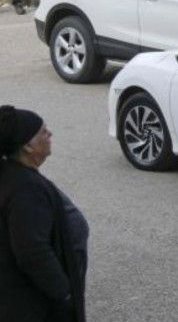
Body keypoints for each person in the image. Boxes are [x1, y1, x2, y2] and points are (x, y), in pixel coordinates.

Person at [0, 105, 88, 322]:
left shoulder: (13, 175)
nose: (50, 134)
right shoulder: (26, 190)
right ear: (28, 146)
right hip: (34, 306)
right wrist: (64, 292)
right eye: (43, 131)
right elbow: (32, 251)